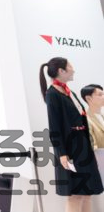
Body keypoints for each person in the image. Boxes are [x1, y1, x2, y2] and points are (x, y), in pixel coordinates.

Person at [40, 57, 103, 212]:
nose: (73, 69)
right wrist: (62, 153)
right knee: (75, 195)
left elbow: (81, 118)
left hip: (83, 147)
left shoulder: (70, 92)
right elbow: (54, 127)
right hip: (70, 150)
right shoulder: (52, 94)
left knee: (87, 192)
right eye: (70, 66)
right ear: (61, 71)